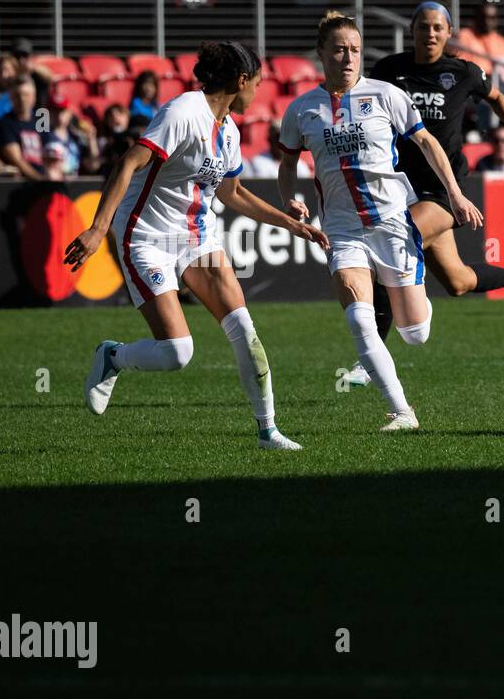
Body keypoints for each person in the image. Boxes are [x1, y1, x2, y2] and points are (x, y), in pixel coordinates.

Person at [66, 41, 327, 450]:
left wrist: (289, 223)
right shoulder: (184, 111)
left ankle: (267, 431)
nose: (258, 93)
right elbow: (129, 162)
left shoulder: (229, 129)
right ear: (241, 81)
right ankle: (112, 357)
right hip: (147, 236)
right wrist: (99, 229)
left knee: (244, 329)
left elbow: (233, 193)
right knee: (177, 353)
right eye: (256, 84)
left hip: (196, 237)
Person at [278, 11, 484, 431]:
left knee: (415, 333)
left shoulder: (386, 94)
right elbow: (287, 161)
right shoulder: (302, 110)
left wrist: (457, 194)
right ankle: (401, 411)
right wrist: (289, 200)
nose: (348, 57)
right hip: (341, 229)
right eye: (338, 49)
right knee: (359, 317)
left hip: (392, 223)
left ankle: (418, 300)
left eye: (354, 49)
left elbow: (426, 142)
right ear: (322, 53)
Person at [361, 0, 504, 382]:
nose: (429, 34)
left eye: (437, 28)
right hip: (400, 186)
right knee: (458, 282)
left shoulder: (463, 72)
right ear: (411, 31)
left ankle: (370, 359)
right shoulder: (388, 71)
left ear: (448, 34)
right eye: (423, 27)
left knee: (392, 243)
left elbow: (497, 97)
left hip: (445, 189)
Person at [0, 75, 47, 179]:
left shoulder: (41, 120)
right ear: (11, 98)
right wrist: (41, 181)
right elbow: (17, 160)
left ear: (34, 97)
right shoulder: (5, 124)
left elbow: (48, 146)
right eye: (17, 95)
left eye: (26, 95)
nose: (22, 99)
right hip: (23, 184)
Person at [454, 2, 504, 78]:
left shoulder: (501, 41)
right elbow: (462, 65)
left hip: (497, 84)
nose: (487, 22)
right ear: (477, 17)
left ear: (497, 20)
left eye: (492, 18)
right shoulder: (465, 35)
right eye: (483, 17)